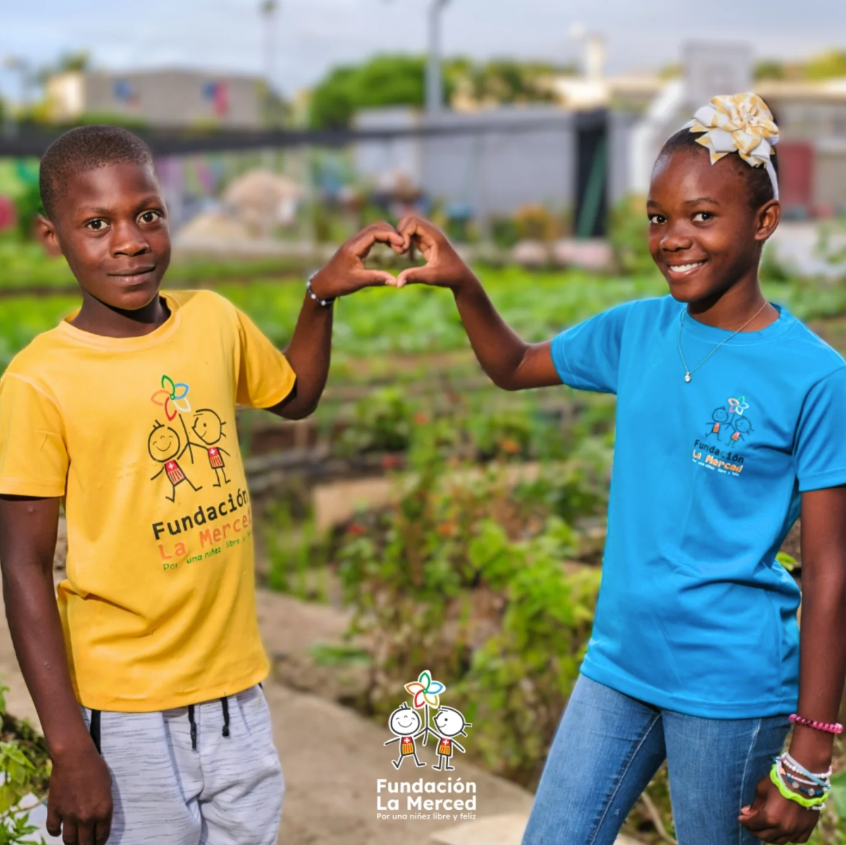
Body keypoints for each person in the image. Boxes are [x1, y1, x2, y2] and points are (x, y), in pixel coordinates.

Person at [385, 94, 846, 844]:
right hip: (619, 665)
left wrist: (810, 751)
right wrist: (464, 281)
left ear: (763, 222)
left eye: (702, 215)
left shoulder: (816, 379)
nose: (673, 239)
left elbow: (831, 571)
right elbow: (513, 364)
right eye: (658, 217)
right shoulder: (636, 329)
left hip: (729, 686)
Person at [0, 125, 402, 845]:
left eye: (146, 214)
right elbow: (24, 566)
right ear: (52, 237)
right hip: (121, 710)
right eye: (96, 224)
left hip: (233, 696)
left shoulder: (212, 320)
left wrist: (321, 295)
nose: (130, 241)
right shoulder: (38, 379)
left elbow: (295, 393)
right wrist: (68, 746)